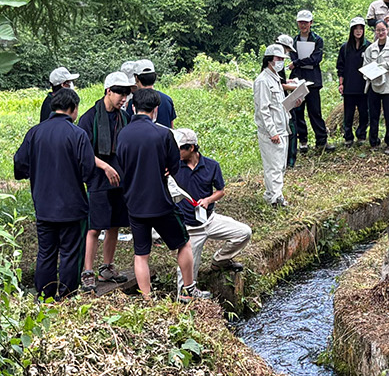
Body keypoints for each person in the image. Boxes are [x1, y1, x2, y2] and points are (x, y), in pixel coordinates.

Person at [114, 90, 207, 301]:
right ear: (155, 110)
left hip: (134, 203)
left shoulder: (123, 134)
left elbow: (120, 165)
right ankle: (188, 289)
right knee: (183, 243)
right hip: (160, 202)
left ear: (132, 107)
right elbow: (174, 166)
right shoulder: (163, 134)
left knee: (141, 254)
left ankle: (147, 299)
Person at [12, 87, 96, 298]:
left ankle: (44, 296)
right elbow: (88, 170)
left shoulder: (35, 132)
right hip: (73, 206)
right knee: (70, 253)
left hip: (44, 205)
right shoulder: (78, 134)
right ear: (72, 108)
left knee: (46, 253)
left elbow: (19, 165)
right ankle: (67, 296)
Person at [77, 70, 134, 289]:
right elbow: (81, 152)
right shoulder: (90, 117)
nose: (123, 98)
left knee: (115, 225)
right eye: (120, 93)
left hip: (119, 179)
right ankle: (87, 271)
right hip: (98, 180)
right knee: (95, 226)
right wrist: (104, 166)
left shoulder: (125, 117)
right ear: (108, 91)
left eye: (126, 94)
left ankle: (107, 268)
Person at [174, 128, 251, 277]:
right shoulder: (173, 167)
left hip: (209, 219)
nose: (176, 153)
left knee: (244, 233)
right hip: (190, 227)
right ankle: (185, 296)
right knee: (186, 274)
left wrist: (208, 200)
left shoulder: (211, 166)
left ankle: (220, 261)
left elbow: (220, 191)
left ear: (191, 148)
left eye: (179, 150)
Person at [254, 44, 292, 206]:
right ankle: (275, 198)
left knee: (280, 165)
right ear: (269, 59)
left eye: (283, 59)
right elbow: (263, 109)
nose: (281, 62)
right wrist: (272, 132)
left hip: (282, 128)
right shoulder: (262, 81)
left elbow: (278, 106)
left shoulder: (276, 78)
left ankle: (273, 194)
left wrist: (294, 103)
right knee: (273, 166)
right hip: (271, 132)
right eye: (279, 59)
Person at [288, 10, 328, 154]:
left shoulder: (317, 40)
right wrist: (298, 63)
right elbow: (292, 57)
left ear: (311, 23)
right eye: (301, 22)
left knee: (315, 111)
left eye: (306, 22)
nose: (303, 25)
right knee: (298, 111)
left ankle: (321, 140)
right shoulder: (294, 40)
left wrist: (298, 62)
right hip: (298, 79)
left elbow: (316, 59)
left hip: (313, 80)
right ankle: (302, 141)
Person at [365, 19, 389, 150]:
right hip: (374, 85)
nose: (380, 32)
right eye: (378, 30)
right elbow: (365, 65)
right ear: (375, 31)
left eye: (383, 30)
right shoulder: (371, 49)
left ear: (387, 30)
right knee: (374, 115)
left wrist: (386, 66)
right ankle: (374, 142)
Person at [336, 16, 371, 144]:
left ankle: (361, 135)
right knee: (348, 114)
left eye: (360, 28)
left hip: (363, 86)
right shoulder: (345, 48)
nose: (358, 31)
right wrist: (341, 83)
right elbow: (340, 67)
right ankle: (348, 137)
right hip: (349, 85)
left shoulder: (369, 46)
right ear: (351, 30)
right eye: (355, 28)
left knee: (364, 112)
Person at [123, 58, 175, 128]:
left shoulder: (133, 102)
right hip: (166, 138)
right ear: (155, 77)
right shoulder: (167, 100)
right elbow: (171, 126)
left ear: (136, 78)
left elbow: (129, 127)